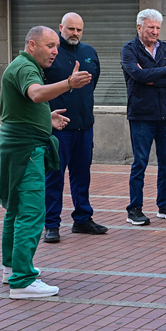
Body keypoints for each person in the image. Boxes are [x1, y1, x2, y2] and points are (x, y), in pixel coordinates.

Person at [0, 26, 92, 298]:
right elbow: (36, 94)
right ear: (31, 45)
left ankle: (12, 269)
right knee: (31, 212)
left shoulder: (22, 65)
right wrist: (69, 84)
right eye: (49, 45)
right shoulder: (25, 68)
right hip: (25, 150)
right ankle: (23, 281)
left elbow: (21, 107)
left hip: (16, 147)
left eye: (56, 46)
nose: (55, 51)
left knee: (14, 211)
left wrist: (45, 119)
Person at [41, 13, 107, 243]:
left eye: (78, 29)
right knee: (54, 177)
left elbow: (92, 84)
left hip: (84, 126)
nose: (75, 33)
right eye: (70, 29)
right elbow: (41, 89)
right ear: (60, 28)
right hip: (59, 129)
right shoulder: (51, 54)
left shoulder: (89, 52)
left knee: (82, 175)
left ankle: (82, 219)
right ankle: (51, 225)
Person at [121, 9, 166, 225]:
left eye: (157, 28)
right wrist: (163, 71)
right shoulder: (129, 50)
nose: (155, 31)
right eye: (151, 27)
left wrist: (153, 77)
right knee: (140, 163)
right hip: (141, 116)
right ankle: (134, 209)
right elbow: (137, 75)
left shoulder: (165, 48)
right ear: (139, 27)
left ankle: (165, 205)